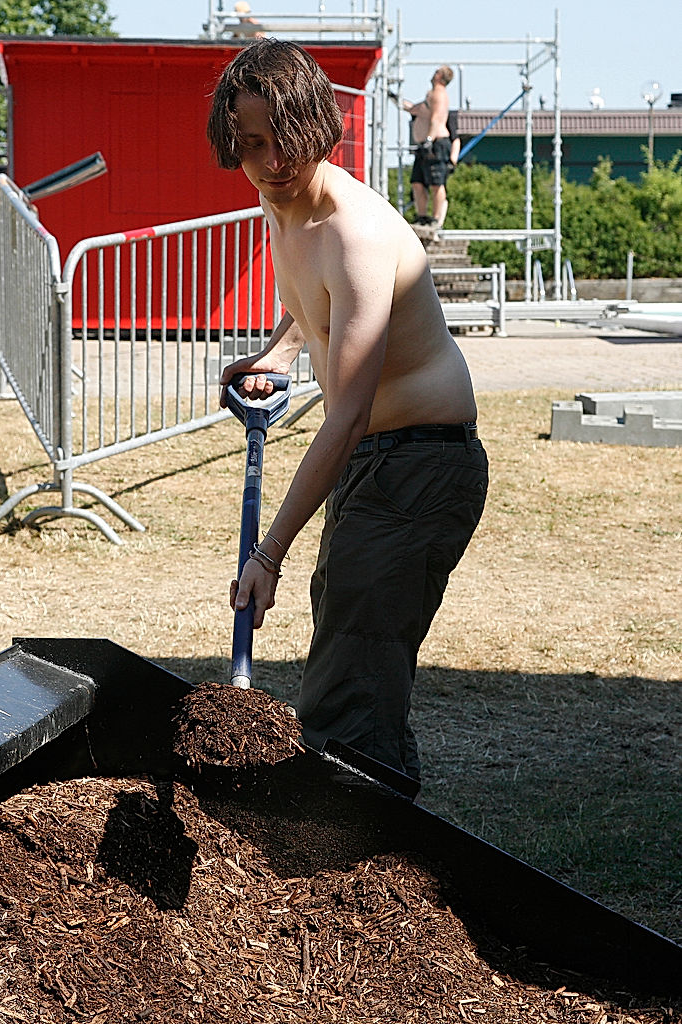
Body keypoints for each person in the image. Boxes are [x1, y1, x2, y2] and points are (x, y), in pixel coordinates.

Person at [209, 40, 488, 789]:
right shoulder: (284, 207)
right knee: (353, 647)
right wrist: (280, 352)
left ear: (316, 126)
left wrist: (268, 552)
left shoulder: (355, 230)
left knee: (345, 687)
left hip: (421, 464)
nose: (270, 162)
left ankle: (352, 857)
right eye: (251, 145)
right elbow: (314, 302)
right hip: (378, 463)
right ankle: (385, 843)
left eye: (283, 141)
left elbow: (348, 412)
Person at [401, 66, 456, 228]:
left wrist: (429, 140)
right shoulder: (430, 95)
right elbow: (414, 109)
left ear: (439, 76)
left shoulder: (439, 94)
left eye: (436, 72)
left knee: (436, 184)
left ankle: (436, 218)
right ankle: (422, 216)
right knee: (417, 182)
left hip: (435, 144)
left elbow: (436, 119)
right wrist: (393, 97)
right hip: (426, 145)